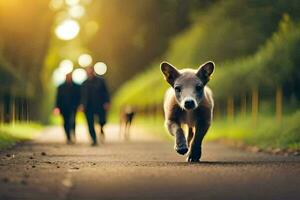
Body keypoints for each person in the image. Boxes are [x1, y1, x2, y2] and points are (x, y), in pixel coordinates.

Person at [81, 66, 110, 146]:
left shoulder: (101, 81)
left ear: (93, 72)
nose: (89, 73)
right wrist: (81, 105)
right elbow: (81, 96)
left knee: (102, 120)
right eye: (87, 71)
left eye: (90, 71)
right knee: (90, 123)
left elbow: (106, 92)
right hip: (88, 106)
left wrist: (107, 102)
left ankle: (101, 128)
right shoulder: (84, 83)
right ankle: (94, 139)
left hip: (99, 105)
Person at [55, 72, 81, 144]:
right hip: (63, 108)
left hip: (73, 107)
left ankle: (73, 133)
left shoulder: (77, 86)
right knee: (65, 122)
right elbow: (58, 98)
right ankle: (68, 137)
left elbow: (80, 97)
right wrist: (56, 107)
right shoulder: (61, 87)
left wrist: (80, 105)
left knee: (72, 121)